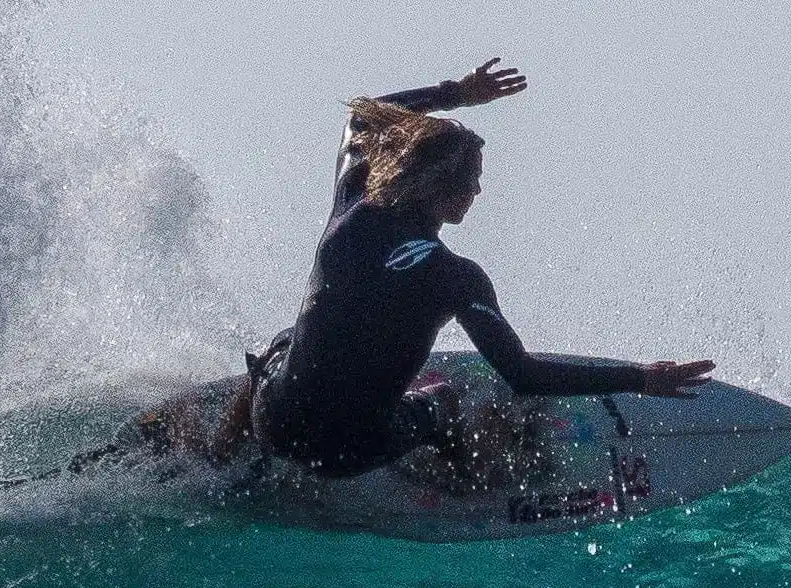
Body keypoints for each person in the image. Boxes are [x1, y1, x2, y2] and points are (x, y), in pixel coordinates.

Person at [217, 60, 712, 477]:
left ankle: (224, 451)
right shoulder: (456, 277)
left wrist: (456, 94)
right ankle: (465, 482)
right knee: (446, 401)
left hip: (277, 425)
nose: (478, 193)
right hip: (346, 454)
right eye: (473, 181)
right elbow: (523, 374)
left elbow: (361, 121)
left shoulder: (350, 205)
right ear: (441, 189)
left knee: (283, 343)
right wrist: (639, 378)